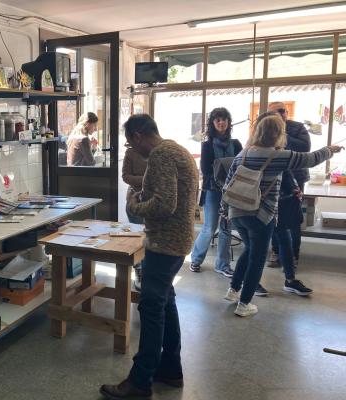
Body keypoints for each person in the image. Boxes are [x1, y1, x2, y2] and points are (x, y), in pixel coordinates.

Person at [100, 114, 199, 399]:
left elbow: (165, 205)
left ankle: (140, 381)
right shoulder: (178, 150)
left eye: (130, 143)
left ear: (138, 135)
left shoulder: (161, 155)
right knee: (166, 303)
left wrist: (134, 206)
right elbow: (171, 196)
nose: (132, 149)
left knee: (151, 309)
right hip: (178, 240)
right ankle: (170, 369)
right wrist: (144, 195)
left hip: (164, 243)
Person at [222, 113, 341, 317]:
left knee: (249, 251)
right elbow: (311, 159)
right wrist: (330, 150)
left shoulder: (243, 153)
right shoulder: (279, 156)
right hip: (261, 215)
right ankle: (244, 304)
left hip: (236, 212)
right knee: (257, 259)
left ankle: (233, 290)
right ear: (279, 134)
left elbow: (228, 185)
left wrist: (224, 211)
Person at [190, 108, 243, 277]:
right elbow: (206, 170)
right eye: (218, 120)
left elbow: (242, 166)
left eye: (224, 119)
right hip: (213, 191)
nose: (221, 123)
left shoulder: (236, 144)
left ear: (228, 122)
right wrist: (228, 166)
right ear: (212, 123)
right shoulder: (207, 145)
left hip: (232, 191)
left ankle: (223, 265)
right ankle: (196, 259)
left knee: (226, 228)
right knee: (209, 227)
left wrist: (220, 165)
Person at [266, 102, 311, 268]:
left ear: (286, 112)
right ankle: (276, 251)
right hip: (274, 176)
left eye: (282, 111)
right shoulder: (267, 128)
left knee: (292, 218)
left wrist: (282, 132)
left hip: (296, 177)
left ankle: (293, 255)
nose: (279, 114)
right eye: (274, 112)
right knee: (273, 215)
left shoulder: (298, 127)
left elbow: (305, 147)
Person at [274, 170, 313, 295]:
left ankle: (290, 280)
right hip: (262, 209)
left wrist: (295, 190)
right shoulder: (257, 159)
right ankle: (247, 285)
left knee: (285, 242)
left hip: (279, 208)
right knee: (255, 250)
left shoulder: (284, 165)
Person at [122, 144, 148, 224]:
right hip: (135, 199)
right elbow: (125, 176)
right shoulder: (131, 152)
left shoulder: (160, 152)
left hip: (155, 200)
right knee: (137, 229)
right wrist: (148, 179)